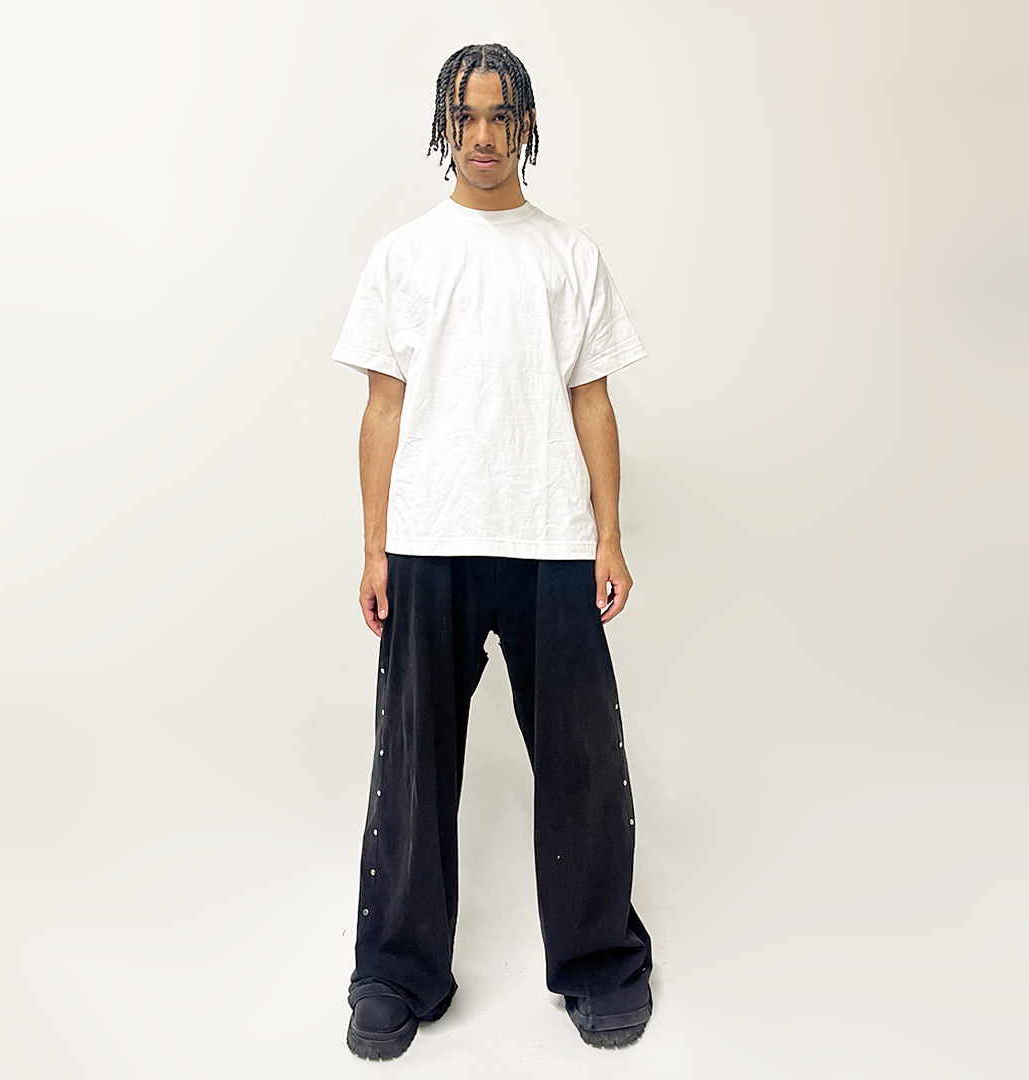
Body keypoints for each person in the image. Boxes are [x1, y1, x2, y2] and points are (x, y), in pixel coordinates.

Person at [331, 42, 653, 1060]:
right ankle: (395, 974)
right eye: (465, 117)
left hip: (550, 538)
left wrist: (608, 536)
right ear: (444, 125)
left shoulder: (568, 256)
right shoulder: (403, 256)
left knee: (582, 764)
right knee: (412, 767)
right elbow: (382, 410)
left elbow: (593, 403)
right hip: (430, 538)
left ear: (526, 126)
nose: (482, 135)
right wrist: (375, 548)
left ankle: (600, 965)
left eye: (500, 116)